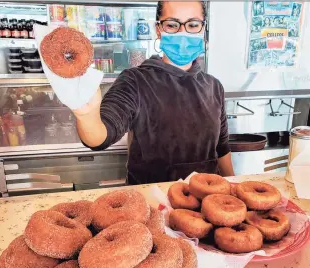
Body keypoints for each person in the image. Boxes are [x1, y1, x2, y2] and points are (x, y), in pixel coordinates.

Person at [73, 1, 235, 185]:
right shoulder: (135, 81)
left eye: (192, 25)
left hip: (206, 202)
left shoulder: (214, 87)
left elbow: (222, 148)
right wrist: (86, 115)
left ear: (202, 28)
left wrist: (233, 187)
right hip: (151, 204)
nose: (183, 33)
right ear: (158, 29)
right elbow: (100, 136)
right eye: (172, 25)